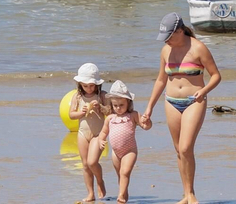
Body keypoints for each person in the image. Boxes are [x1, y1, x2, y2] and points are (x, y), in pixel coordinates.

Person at [140, 12, 222, 204]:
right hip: (171, 102)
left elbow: (216, 75)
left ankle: (191, 194)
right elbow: (161, 80)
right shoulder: (165, 51)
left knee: (186, 148)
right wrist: (149, 107)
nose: (166, 40)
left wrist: (204, 91)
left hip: (194, 101)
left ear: (179, 31)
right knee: (178, 150)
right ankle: (186, 194)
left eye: (169, 36)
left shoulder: (198, 48)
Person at [91, 80, 140, 204]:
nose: (118, 108)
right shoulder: (110, 118)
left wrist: (146, 121)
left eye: (121, 105)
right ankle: (123, 193)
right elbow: (103, 133)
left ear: (128, 103)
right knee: (120, 174)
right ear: (111, 105)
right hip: (115, 153)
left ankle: (121, 195)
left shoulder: (133, 115)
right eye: (115, 105)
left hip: (130, 151)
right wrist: (101, 141)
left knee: (125, 172)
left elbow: (146, 126)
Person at [69, 62, 107, 204]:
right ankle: (90, 193)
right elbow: (71, 115)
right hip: (83, 133)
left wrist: (100, 107)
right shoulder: (77, 96)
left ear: (97, 84)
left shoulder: (102, 95)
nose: (89, 88)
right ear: (80, 84)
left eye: (92, 85)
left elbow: (111, 112)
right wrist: (81, 112)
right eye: (85, 86)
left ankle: (100, 181)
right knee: (85, 164)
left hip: (98, 134)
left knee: (92, 162)